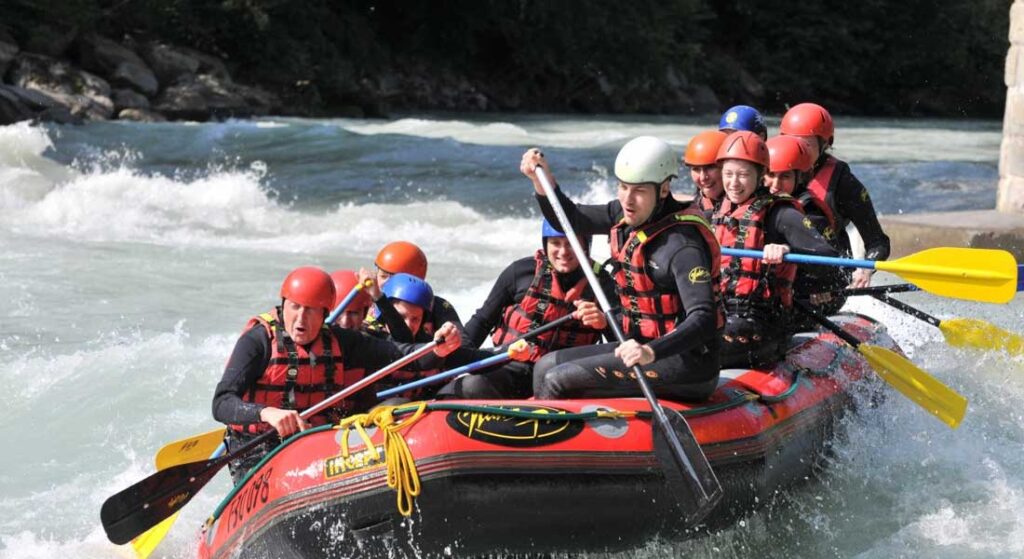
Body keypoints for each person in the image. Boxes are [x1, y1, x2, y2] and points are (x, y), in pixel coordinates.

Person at [212, 266, 460, 483]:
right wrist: (267, 413)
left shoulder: (344, 342)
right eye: (295, 307)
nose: (300, 318)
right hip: (257, 449)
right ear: (283, 305)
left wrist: (439, 349)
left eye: (310, 310)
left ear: (324, 315)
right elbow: (221, 402)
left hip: (315, 445)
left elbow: (405, 356)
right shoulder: (257, 342)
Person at [522, 136, 725, 402]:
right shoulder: (627, 214)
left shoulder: (683, 245)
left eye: (639, 190)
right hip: (636, 348)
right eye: (623, 187)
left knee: (557, 379)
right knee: (545, 365)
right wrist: (541, 180)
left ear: (663, 189)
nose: (628, 200)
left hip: (687, 365)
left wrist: (651, 352)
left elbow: (703, 319)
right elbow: (570, 218)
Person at [442, 219, 611, 399]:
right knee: (471, 385)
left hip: (565, 376)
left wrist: (604, 322)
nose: (563, 251)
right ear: (545, 245)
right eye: (555, 243)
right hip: (513, 368)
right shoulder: (521, 272)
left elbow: (622, 342)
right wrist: (460, 360)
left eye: (571, 243)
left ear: (586, 245)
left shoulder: (603, 284)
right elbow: (482, 321)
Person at [712, 132, 839, 367]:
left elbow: (831, 263)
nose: (733, 183)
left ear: (760, 175)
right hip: (722, 315)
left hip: (763, 327)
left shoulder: (781, 214)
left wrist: (787, 252)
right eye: (728, 174)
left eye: (743, 175)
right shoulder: (721, 210)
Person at [780, 102, 891, 288]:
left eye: (805, 145)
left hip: (826, 278)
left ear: (825, 144)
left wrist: (865, 269)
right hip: (782, 268)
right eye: (791, 143)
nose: (797, 153)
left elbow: (878, 242)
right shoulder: (769, 172)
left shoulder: (843, 182)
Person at [765, 135, 850, 316]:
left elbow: (837, 269)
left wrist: (823, 286)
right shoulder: (754, 203)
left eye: (785, 176)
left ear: (800, 177)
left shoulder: (811, 213)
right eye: (770, 175)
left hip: (812, 293)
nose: (775, 185)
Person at [363, 240, 463, 342]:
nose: (387, 284)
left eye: (396, 279)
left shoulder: (437, 306)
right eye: (383, 276)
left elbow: (464, 345)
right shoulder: (363, 305)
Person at [683, 129, 729, 218]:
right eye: (696, 169)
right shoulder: (696, 206)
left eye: (710, 167)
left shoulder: (754, 211)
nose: (703, 177)